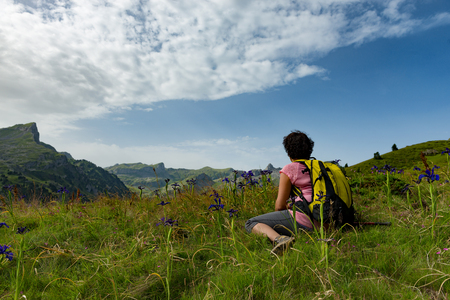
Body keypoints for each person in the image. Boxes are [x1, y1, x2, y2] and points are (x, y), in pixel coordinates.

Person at [245, 130, 320, 255]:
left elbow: (279, 206)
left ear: (289, 152)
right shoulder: (321, 167)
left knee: (250, 223)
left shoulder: (290, 168)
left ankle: (281, 239)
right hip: (329, 219)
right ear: (309, 150)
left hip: (307, 221)